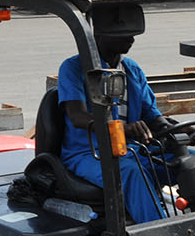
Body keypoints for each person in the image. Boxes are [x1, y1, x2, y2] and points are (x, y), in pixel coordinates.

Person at [57, 30, 174, 223]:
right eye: (123, 33)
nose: (132, 38)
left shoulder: (131, 69)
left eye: (133, 33)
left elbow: (153, 116)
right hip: (88, 153)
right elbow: (78, 116)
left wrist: (178, 130)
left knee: (189, 160)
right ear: (100, 35)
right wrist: (120, 129)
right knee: (130, 172)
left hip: (130, 150)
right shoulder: (74, 67)